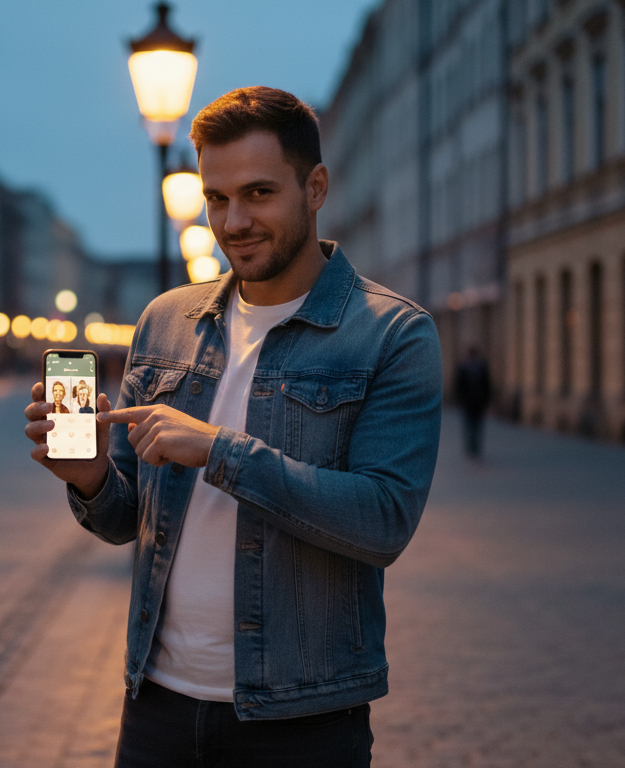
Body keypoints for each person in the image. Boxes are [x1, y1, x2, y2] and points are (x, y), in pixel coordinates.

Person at [24, 87, 442, 767]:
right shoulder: (166, 320)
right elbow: (123, 519)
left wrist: (218, 450)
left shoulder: (391, 333)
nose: (234, 220)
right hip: (156, 704)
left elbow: (383, 521)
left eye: (257, 193)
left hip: (303, 716)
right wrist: (92, 476)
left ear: (316, 187)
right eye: (216, 199)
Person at [454, 346, 492, 458]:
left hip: (468, 401)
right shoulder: (482, 367)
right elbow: (487, 385)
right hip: (479, 401)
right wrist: (487, 399)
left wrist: (459, 398)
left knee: (469, 423)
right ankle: (475, 446)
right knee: (477, 424)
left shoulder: (464, 367)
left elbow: (458, 385)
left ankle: (470, 446)